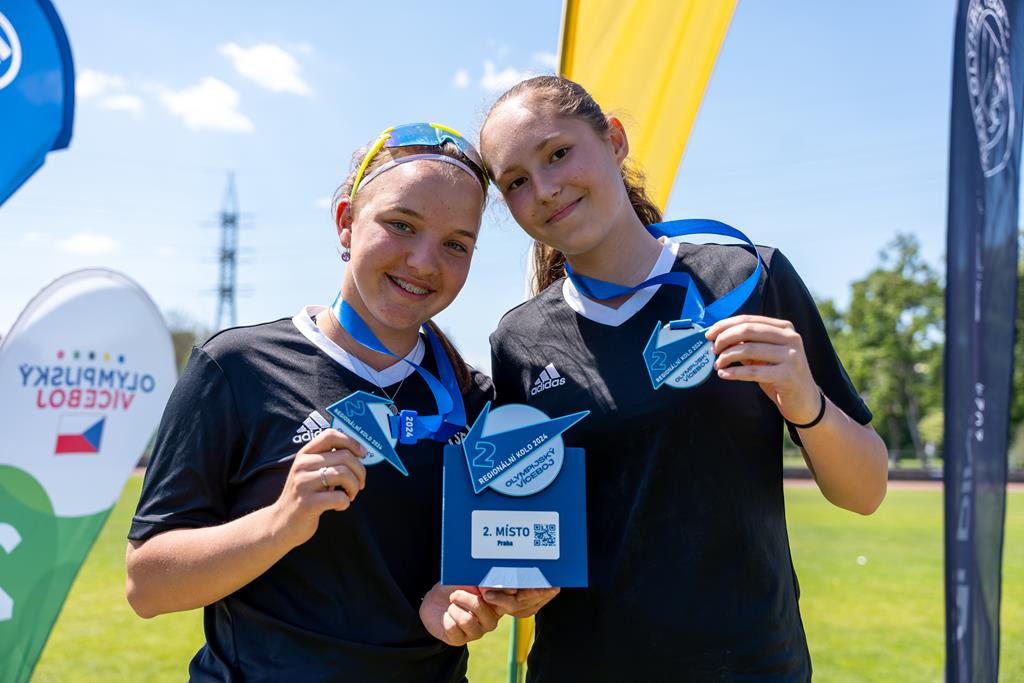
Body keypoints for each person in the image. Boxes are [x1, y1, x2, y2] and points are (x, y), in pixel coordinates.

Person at [477, 76, 889, 681]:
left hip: (752, 669)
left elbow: (866, 491)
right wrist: (516, 584)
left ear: (614, 141)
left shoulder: (748, 279)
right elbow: (524, 539)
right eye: (515, 182)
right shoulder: (518, 342)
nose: (544, 189)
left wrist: (806, 401)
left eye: (558, 153)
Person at [125, 122, 555, 682]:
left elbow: (490, 566)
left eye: (456, 244)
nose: (425, 262)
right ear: (346, 222)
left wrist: (475, 596)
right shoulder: (236, 368)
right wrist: (280, 522)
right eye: (401, 225)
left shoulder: (478, 403)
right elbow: (147, 585)